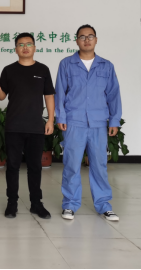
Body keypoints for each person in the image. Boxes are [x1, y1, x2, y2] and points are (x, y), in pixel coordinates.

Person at [55, 24, 122, 222]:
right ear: (76, 40)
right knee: (72, 165)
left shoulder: (106, 66)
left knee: (99, 165)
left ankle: (104, 205)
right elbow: (60, 92)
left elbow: (113, 95)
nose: (86, 40)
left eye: (90, 36)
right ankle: (70, 204)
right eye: (82, 37)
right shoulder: (66, 64)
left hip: (98, 123)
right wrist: (61, 117)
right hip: (74, 122)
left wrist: (114, 120)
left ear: (96, 40)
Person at [0, 33, 55, 220]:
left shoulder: (43, 70)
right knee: (12, 166)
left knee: (35, 167)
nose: (25, 47)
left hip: (35, 126)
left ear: (34, 47)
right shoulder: (9, 70)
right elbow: (2, 97)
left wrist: (50, 120)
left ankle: (36, 203)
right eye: (21, 44)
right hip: (14, 126)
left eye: (29, 44)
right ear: (16, 49)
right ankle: (12, 203)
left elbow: (49, 96)